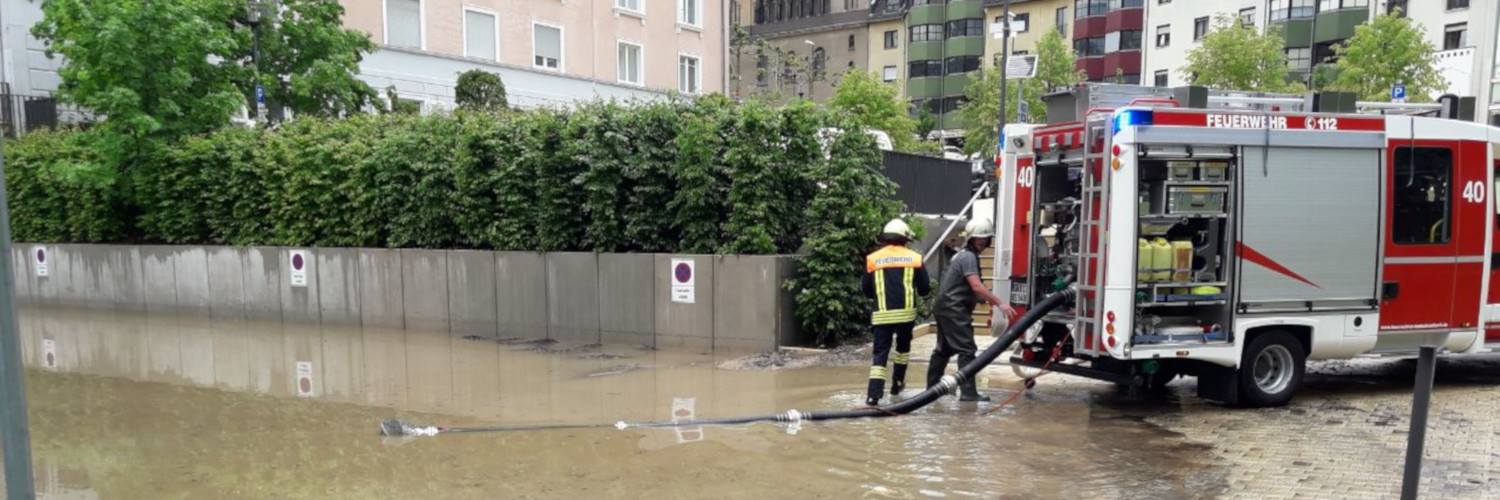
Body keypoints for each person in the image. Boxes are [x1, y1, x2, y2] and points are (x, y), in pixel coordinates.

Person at [927, 218, 1017, 402]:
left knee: (943, 350)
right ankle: (968, 392)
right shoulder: (968, 257)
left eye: (985, 238)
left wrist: (986, 298)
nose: (982, 241)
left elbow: (974, 288)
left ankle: (931, 389)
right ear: (970, 239)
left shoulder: (962, 255)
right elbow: (976, 286)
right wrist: (999, 302)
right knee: (967, 349)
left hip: (945, 306)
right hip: (953, 308)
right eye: (978, 238)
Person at [860, 218, 931, 406]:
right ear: (905, 239)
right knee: (902, 351)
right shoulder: (914, 258)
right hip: (906, 316)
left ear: (886, 239)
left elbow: (866, 289)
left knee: (880, 354)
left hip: (882, 315)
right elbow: (925, 288)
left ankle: (873, 395)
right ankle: (897, 386)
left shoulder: (873, 259)